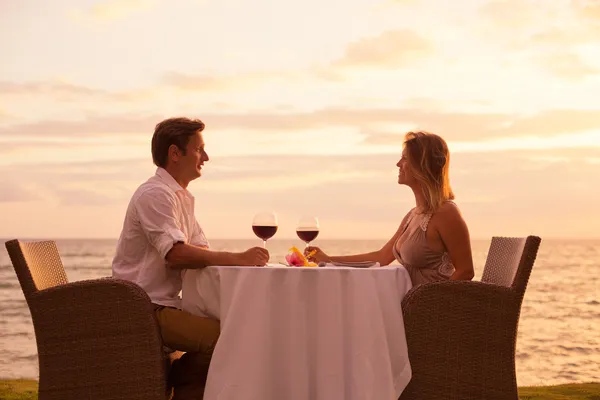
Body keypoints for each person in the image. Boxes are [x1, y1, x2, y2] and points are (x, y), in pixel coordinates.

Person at [112, 117, 269, 400]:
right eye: (199, 149)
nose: (206, 157)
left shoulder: (180, 197)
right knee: (227, 338)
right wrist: (238, 258)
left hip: (164, 304)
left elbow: (200, 250)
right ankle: (178, 381)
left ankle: (181, 385)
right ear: (175, 153)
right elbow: (176, 254)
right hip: (143, 308)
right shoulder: (155, 195)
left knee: (237, 328)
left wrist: (241, 260)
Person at [306, 131, 474, 286]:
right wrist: (328, 260)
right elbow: (382, 257)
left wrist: (432, 301)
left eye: (405, 158)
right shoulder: (413, 215)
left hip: (431, 310)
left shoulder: (446, 213)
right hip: (412, 304)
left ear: (421, 165)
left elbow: (465, 271)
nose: (398, 164)